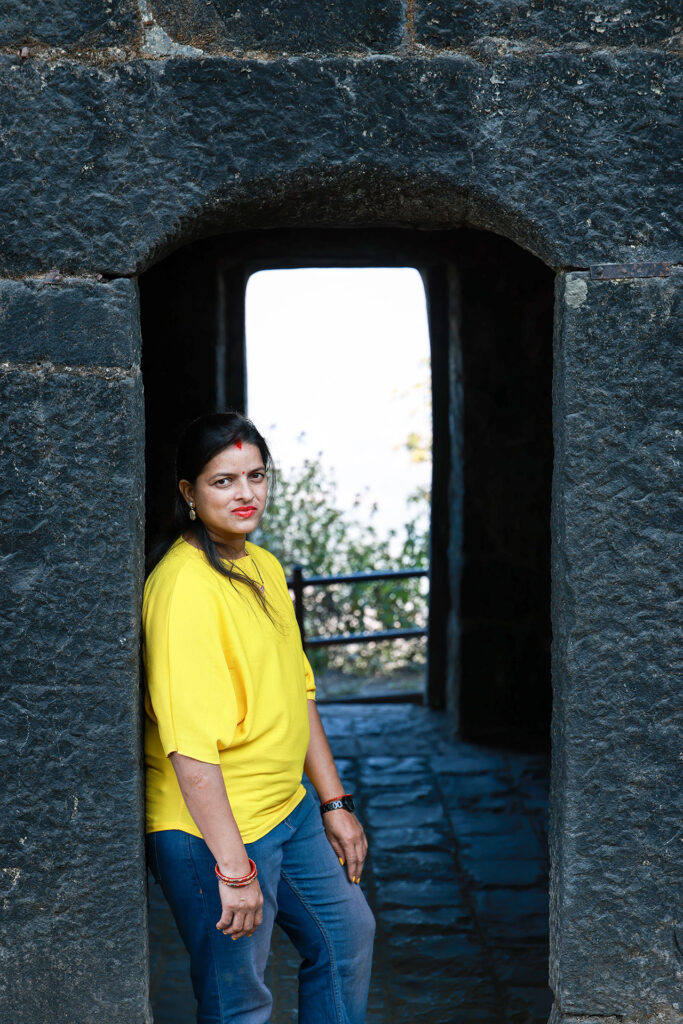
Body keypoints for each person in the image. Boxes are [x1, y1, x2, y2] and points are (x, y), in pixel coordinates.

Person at [142, 411, 375, 1024]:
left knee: (347, 938)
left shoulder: (263, 566)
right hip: (212, 831)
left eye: (256, 476)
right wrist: (234, 869)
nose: (245, 493)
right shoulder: (183, 590)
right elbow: (189, 747)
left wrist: (335, 802)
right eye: (223, 481)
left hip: (286, 810)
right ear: (189, 492)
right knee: (240, 1002)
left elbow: (298, 693)